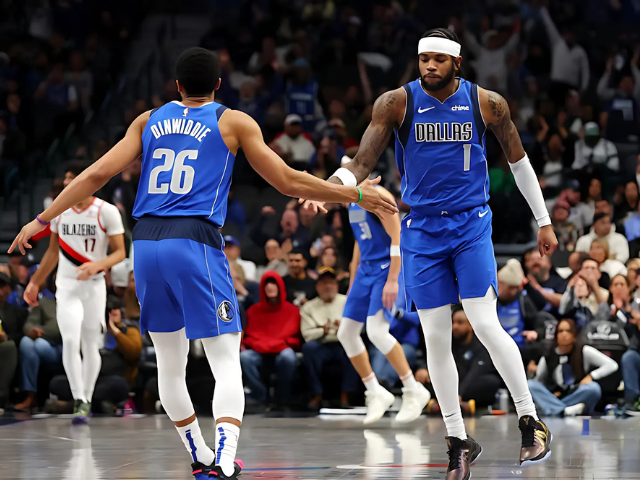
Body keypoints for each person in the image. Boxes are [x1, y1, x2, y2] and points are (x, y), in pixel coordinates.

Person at [8, 48, 395, 480]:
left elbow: (96, 174)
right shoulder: (232, 121)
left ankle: (201, 454)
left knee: (171, 363)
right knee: (225, 357)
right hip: (193, 241)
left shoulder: (148, 120)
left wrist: (43, 219)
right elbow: (286, 180)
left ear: (176, 86)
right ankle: (226, 461)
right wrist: (356, 194)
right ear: (218, 85)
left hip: (147, 244)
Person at [302, 29, 556, 478]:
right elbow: (361, 162)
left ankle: (530, 420)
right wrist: (331, 189)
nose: (429, 67)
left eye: (439, 60)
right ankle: (458, 439)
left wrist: (543, 219)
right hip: (421, 229)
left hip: (471, 224)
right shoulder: (395, 103)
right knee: (436, 336)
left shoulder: (487, 103)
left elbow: (518, 163)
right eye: (424, 60)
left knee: (482, 322)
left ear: (457, 63)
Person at [21, 163, 126, 424]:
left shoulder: (106, 211)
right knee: (70, 339)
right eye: (66, 180)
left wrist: (98, 264)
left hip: (94, 285)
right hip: (66, 286)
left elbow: (121, 253)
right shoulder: (60, 211)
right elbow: (52, 252)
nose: (68, 184)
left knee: (90, 343)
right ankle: (79, 398)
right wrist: (35, 282)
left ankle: (87, 397)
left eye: (72, 179)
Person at [337, 180, 431, 425]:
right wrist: (352, 275)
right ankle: (375, 391)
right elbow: (360, 239)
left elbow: (397, 236)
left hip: (386, 268)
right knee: (346, 333)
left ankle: (413, 389)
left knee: (376, 331)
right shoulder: (350, 200)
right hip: (364, 271)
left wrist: (392, 280)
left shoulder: (379, 195)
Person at [417, 305, 501, 412]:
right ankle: (452, 401)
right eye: (453, 322)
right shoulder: (447, 341)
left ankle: (448, 401)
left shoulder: (481, 345)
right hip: (450, 382)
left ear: (471, 326)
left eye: (460, 323)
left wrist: (459, 394)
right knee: (426, 378)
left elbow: (475, 372)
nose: (455, 326)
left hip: (469, 383)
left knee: (491, 382)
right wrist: (423, 368)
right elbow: (433, 357)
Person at [528, 319, 618, 416]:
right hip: (555, 396)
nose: (564, 334)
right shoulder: (549, 355)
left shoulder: (583, 351)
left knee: (593, 388)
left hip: (576, 394)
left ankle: (555, 409)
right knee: (530, 385)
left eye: (568, 331)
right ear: (556, 336)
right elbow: (539, 381)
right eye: (560, 331)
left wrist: (591, 376)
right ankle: (564, 410)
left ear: (574, 336)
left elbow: (612, 365)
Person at [240, 271, 301, 408]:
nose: (270, 287)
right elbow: (249, 337)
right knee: (245, 357)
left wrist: (271, 344)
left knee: (288, 357)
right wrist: (267, 345)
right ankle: (260, 395)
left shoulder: (292, 311)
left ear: (280, 287)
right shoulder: (253, 311)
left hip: (281, 350)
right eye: (267, 284)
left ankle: (282, 397)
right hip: (260, 351)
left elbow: (295, 337)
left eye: (273, 283)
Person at [300, 267, 357, 408]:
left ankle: (346, 395)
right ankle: (317, 394)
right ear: (317, 286)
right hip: (321, 344)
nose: (328, 286)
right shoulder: (309, 307)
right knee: (308, 348)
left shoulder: (347, 302)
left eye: (331, 282)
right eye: (324, 283)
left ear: (337, 285)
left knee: (356, 347)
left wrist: (343, 328)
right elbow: (307, 334)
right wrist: (322, 332)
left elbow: (358, 327)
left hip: (342, 343)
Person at [14, 289, 62, 412]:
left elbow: (57, 330)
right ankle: (30, 396)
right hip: (45, 345)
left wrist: (42, 332)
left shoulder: (75, 304)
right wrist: (32, 330)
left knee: (40, 344)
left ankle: (32, 397)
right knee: (26, 342)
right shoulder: (45, 303)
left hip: (64, 347)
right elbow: (29, 323)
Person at [0, 272, 26, 412]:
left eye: (2, 286)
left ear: (9, 289)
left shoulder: (18, 312)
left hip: (6, 348)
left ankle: (2, 396)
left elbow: (20, 335)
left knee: (9, 346)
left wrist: (6, 338)